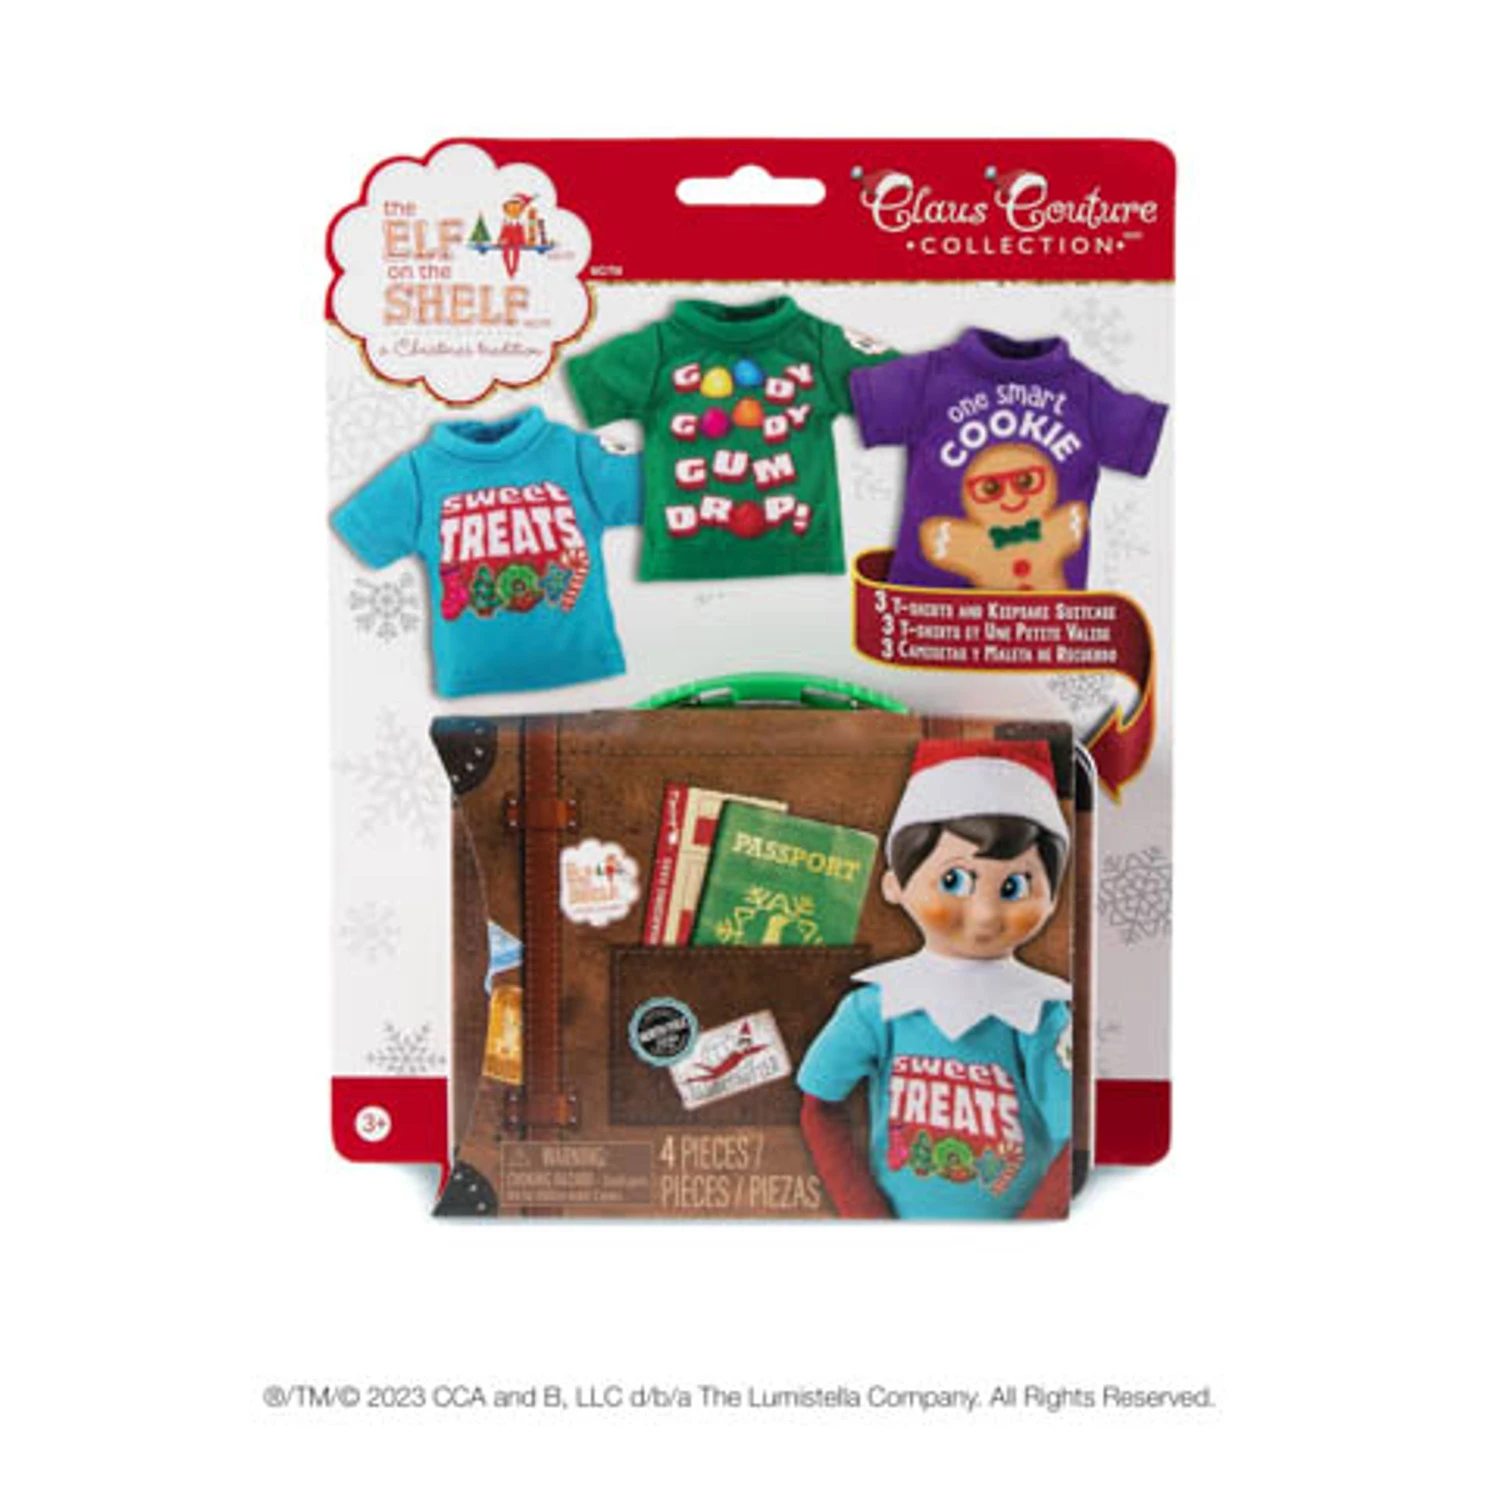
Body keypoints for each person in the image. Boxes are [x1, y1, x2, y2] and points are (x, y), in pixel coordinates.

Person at [798, 740, 1073, 1218]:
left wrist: (1035, 1228)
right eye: (955, 881)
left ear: (1052, 899)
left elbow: (1076, 1135)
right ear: (895, 885)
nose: (985, 915)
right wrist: (864, 1211)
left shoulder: (1040, 1015)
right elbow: (818, 1105)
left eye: (1014, 887)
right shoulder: (876, 1005)